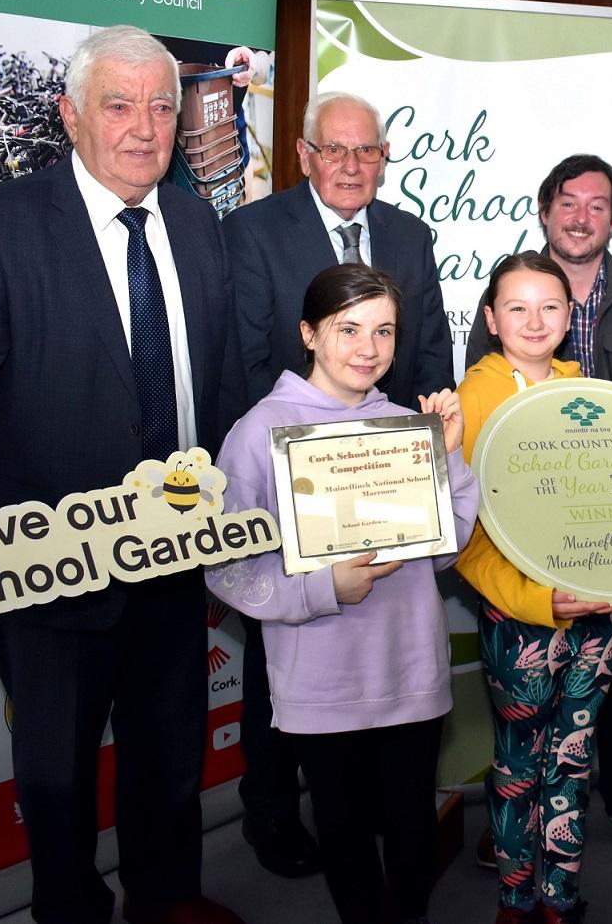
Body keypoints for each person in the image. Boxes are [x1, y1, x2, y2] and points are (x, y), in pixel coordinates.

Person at [0, 25, 245, 924]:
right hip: (52, 568)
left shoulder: (200, 223)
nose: (144, 128)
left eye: (161, 106)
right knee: (55, 773)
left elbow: (224, 377)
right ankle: (70, 909)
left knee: (169, 759)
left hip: (173, 555)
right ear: (72, 116)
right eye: (119, 106)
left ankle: (166, 900)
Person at [223, 89, 453, 876]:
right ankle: (274, 814)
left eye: (368, 152)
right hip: (293, 476)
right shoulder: (253, 232)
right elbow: (247, 361)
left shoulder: (409, 235)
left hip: (386, 467)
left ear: (384, 160)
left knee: (385, 644)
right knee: (280, 661)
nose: (352, 166)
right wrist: (304, 463)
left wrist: (422, 452)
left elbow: (427, 360)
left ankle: (379, 817)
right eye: (335, 150)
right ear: (303, 154)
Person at [204, 264, 477, 924]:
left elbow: (446, 547)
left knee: (411, 821)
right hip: (319, 680)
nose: (367, 348)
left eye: (383, 331)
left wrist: (449, 458)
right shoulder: (256, 431)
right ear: (308, 334)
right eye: (347, 328)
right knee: (343, 826)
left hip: (407, 668)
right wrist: (322, 587)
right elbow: (225, 566)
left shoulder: (401, 427)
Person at [465, 154, 612, 858]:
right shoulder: (503, 300)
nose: (580, 214)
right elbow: (484, 426)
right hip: (526, 546)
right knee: (528, 715)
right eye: (567, 200)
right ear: (545, 210)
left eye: (597, 204)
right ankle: (518, 836)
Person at [456, 251, 612, 924]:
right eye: (516, 307)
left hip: (597, 616)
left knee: (573, 761)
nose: (534, 320)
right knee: (520, 766)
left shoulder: (589, 393)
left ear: (569, 314)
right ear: (492, 319)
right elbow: (463, 540)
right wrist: (534, 600)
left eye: (549, 305)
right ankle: (514, 898)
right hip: (519, 620)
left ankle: (559, 896)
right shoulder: (471, 400)